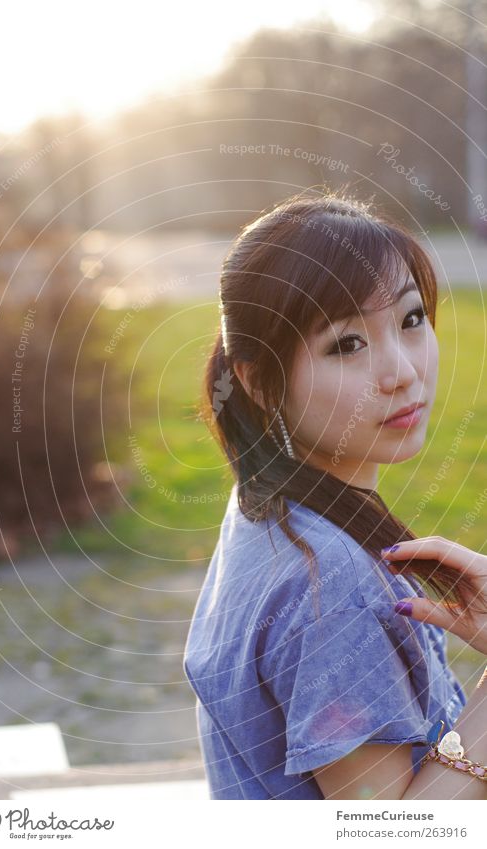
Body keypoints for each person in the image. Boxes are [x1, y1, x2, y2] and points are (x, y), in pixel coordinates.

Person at [182, 189, 487, 799]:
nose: (402, 370)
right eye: (347, 344)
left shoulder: (270, 505)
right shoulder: (332, 584)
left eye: (410, 319)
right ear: (259, 381)